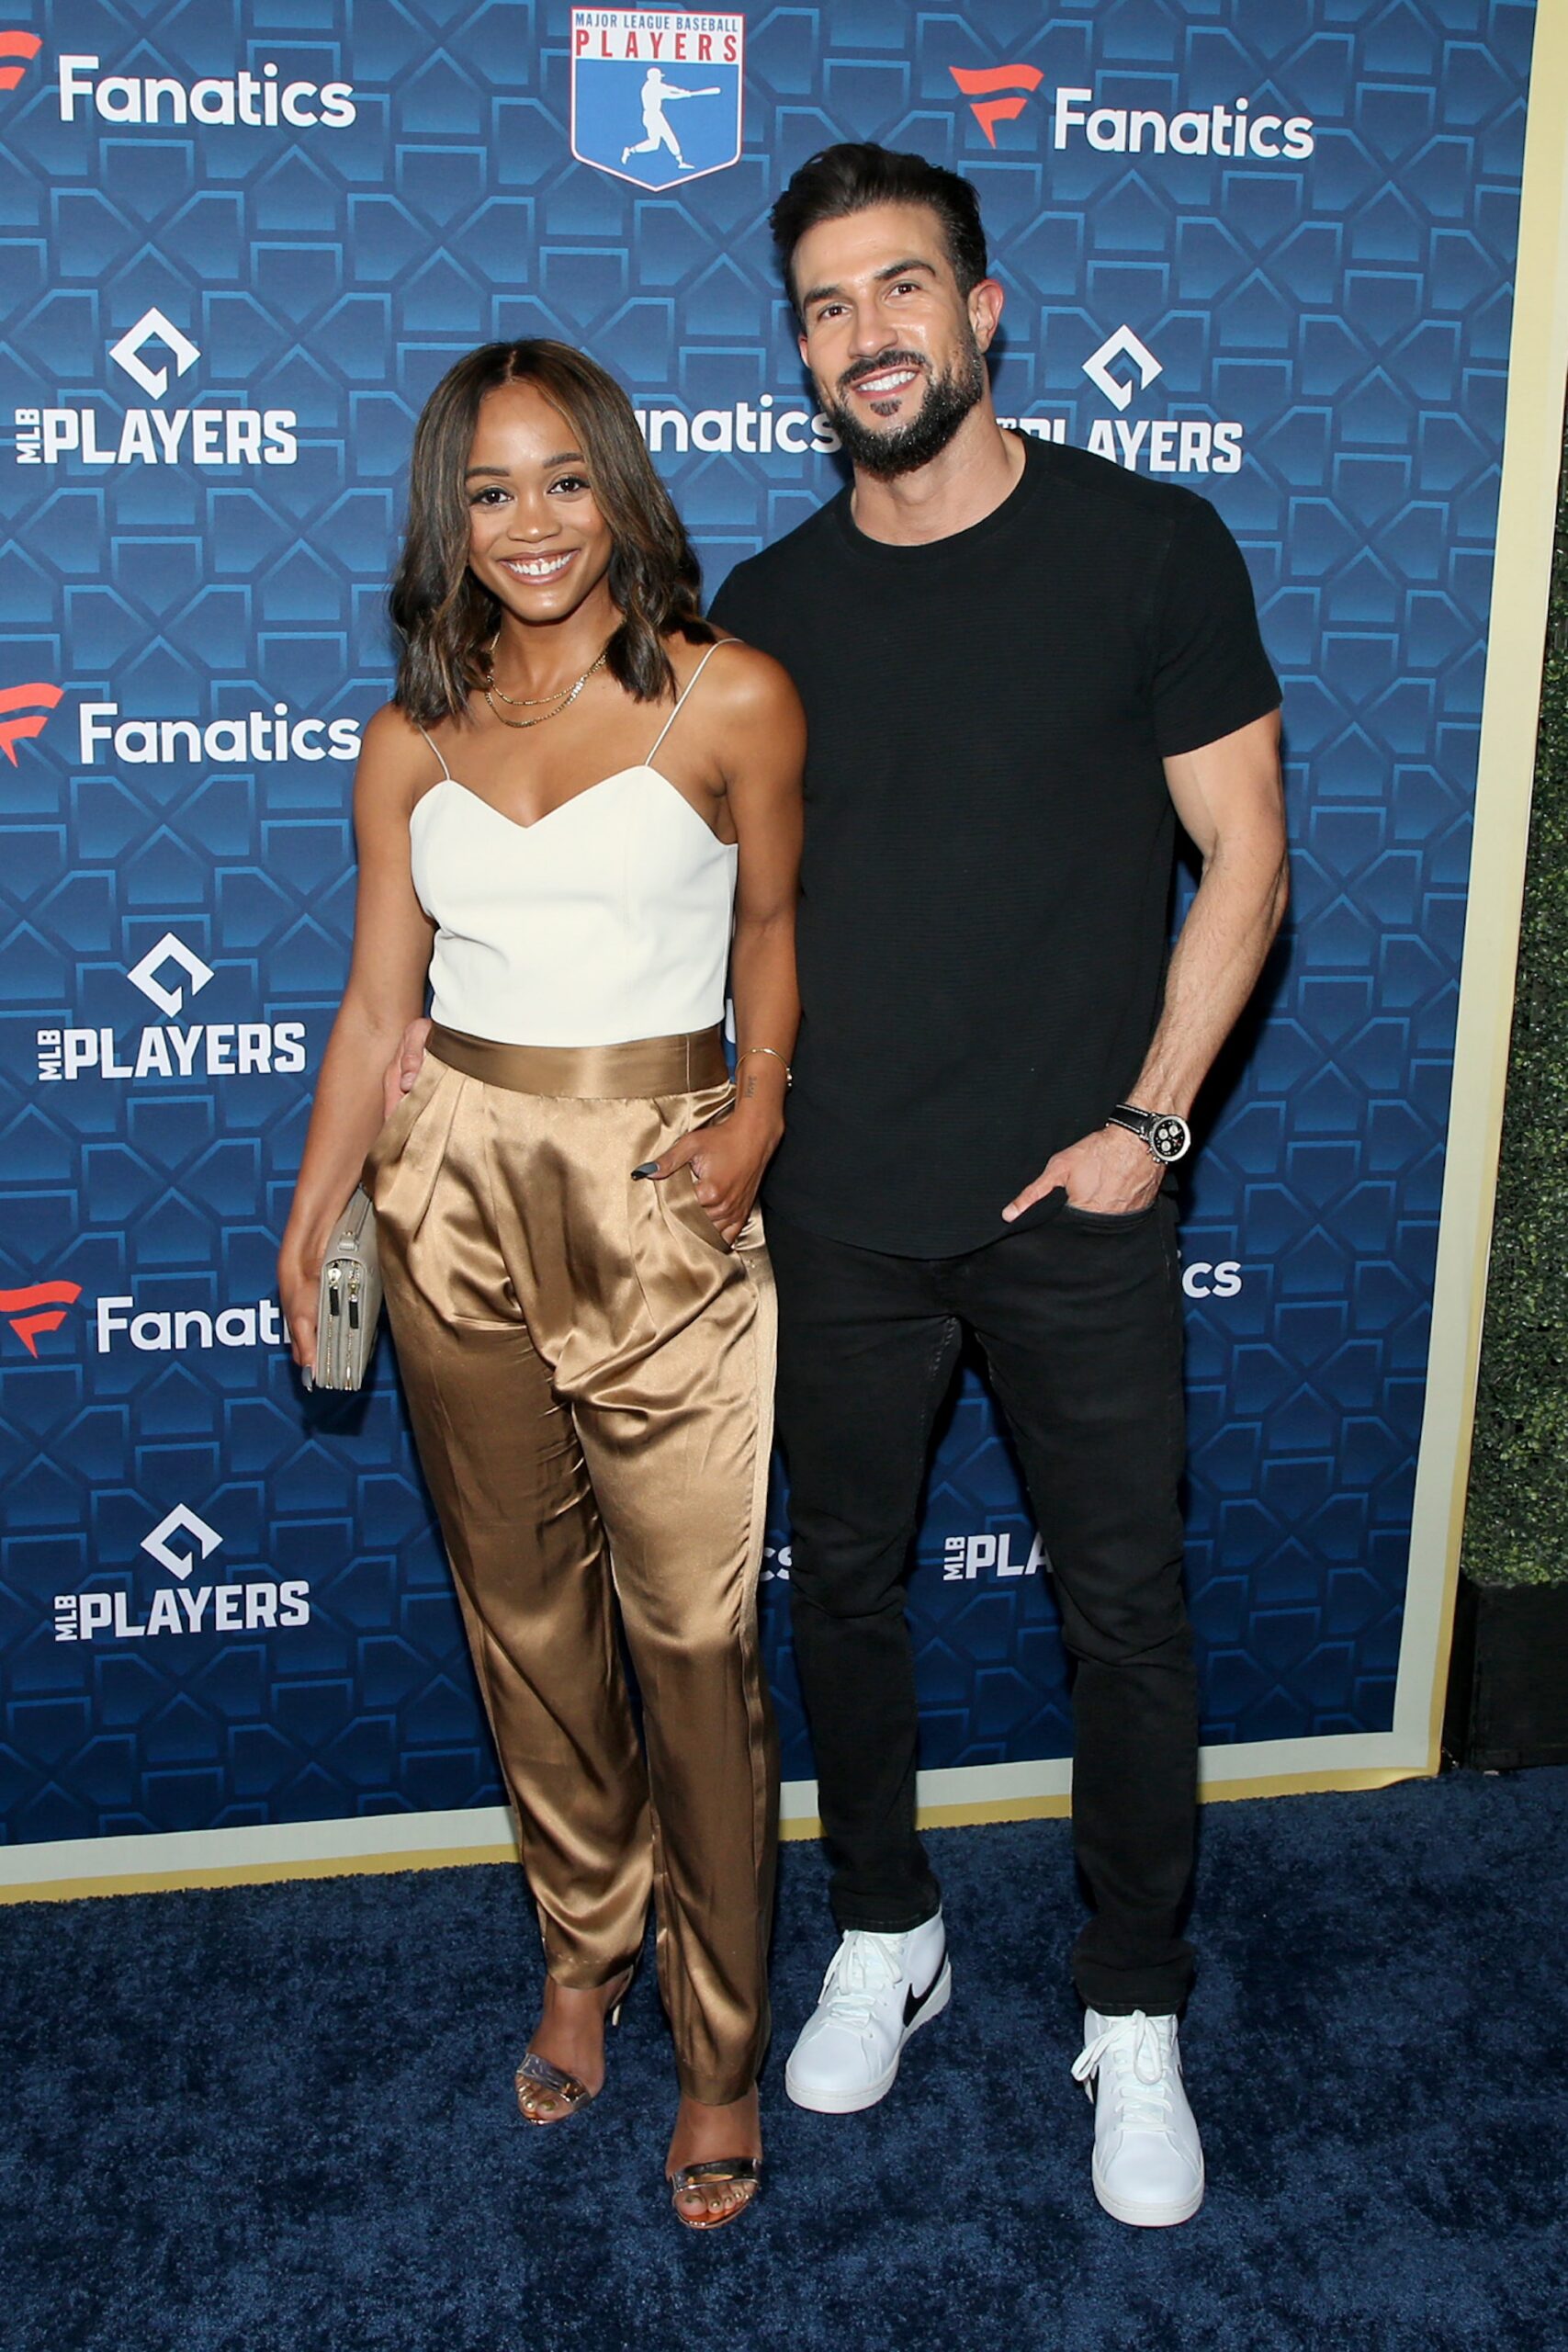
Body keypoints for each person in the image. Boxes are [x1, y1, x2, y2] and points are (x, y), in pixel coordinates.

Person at [702, 144, 1287, 2230]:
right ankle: (888, 1922)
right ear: (798, 349)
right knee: (838, 1592)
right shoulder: (759, 610)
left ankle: (1131, 1998)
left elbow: (1248, 853)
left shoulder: (1145, 546)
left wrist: (1145, 1124)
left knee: (1122, 1609)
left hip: (1075, 1204)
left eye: (898, 288)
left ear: (983, 305)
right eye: (823, 306)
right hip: (838, 1201)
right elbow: (693, 903)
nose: (865, 334)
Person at [278, 338, 803, 2232]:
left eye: (564, 480)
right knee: (526, 1622)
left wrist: (754, 1122)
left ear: (620, 487)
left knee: (695, 1644)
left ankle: (722, 2042)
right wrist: (316, 1198)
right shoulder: (405, 733)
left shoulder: (727, 693)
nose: (529, 524)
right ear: (449, 513)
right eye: (490, 489)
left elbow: (768, 942)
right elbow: (374, 1002)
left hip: (660, 1193)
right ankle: (583, 1947)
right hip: (457, 1196)